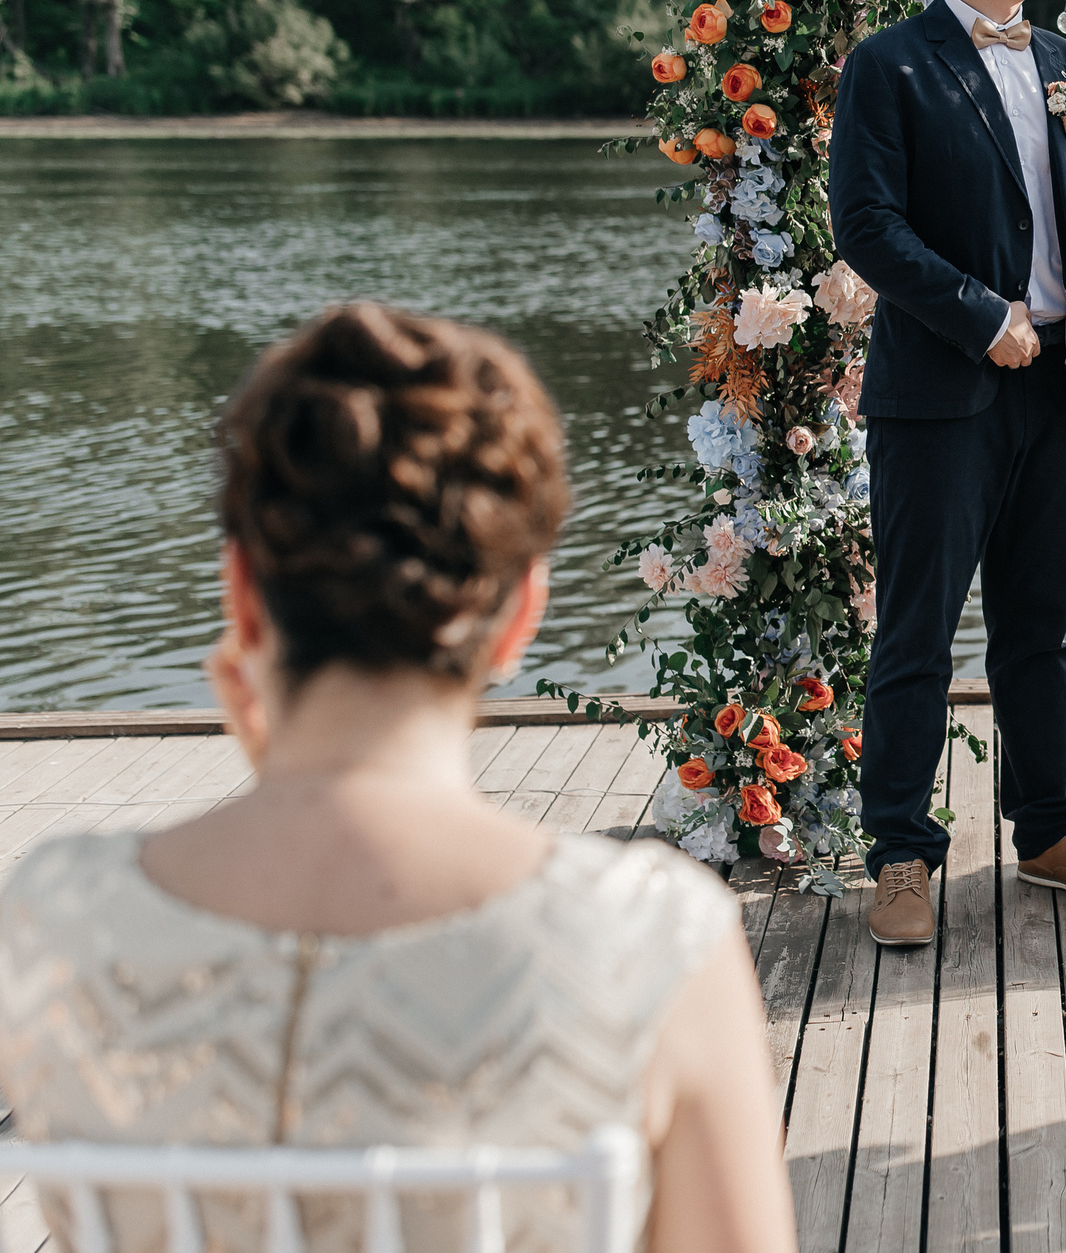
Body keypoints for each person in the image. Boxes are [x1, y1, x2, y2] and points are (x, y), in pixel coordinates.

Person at [0, 303, 793, 1250]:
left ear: (243, 598)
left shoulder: (57, 918)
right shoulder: (655, 937)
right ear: (519, 614)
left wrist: (288, 788)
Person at [829, 0, 1066, 947]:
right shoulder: (889, 66)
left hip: (1062, 391)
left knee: (1039, 630)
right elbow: (867, 229)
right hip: (938, 395)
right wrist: (983, 316)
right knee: (916, 634)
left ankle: (1050, 832)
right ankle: (898, 855)